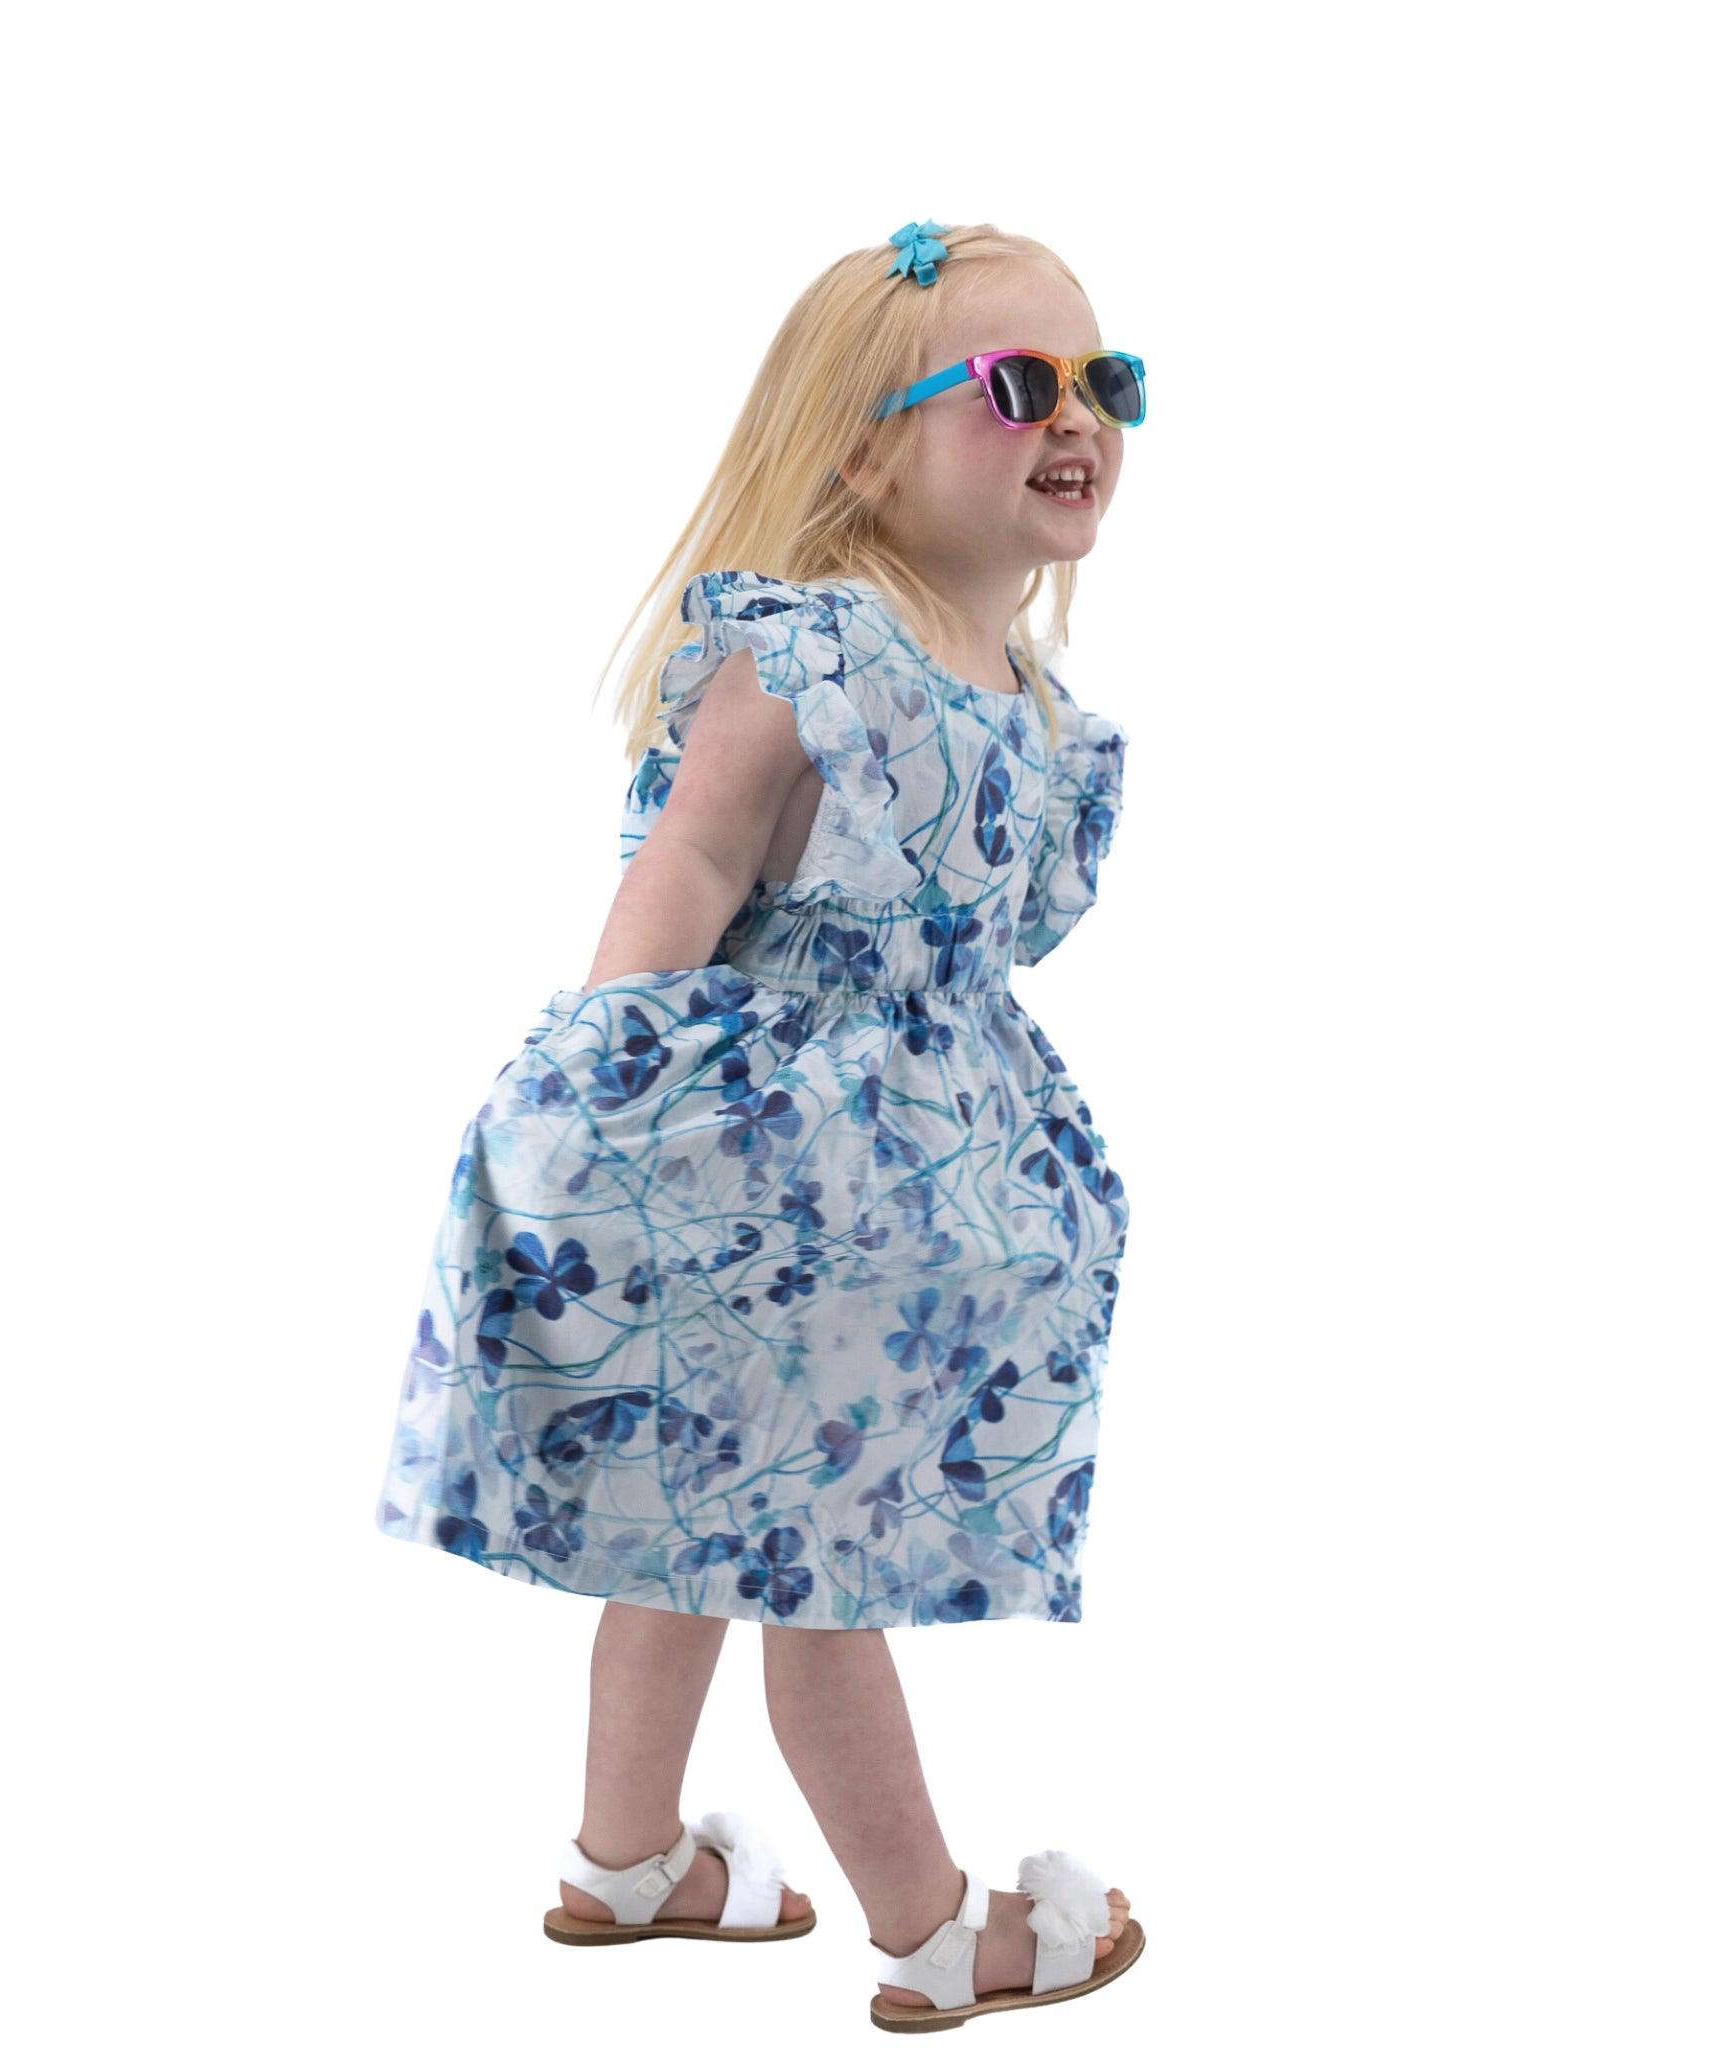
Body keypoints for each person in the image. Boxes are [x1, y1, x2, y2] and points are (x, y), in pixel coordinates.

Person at [373, 218, 1146, 2028]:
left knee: (701, 1524)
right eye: (1020, 385)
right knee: (819, 1566)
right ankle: (932, 1928)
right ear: (867, 444)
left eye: (1108, 384)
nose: (1081, 419)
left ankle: (624, 1860)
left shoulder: (1023, 697)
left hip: (893, 1202)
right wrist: (600, 1075)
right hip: (755, 1180)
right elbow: (700, 855)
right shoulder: (813, 650)